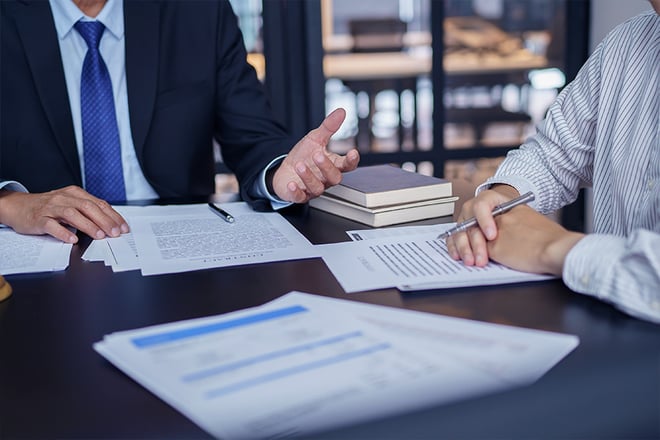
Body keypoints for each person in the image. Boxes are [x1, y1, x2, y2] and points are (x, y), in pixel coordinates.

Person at [0, 0, 359, 244]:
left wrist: (281, 173)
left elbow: (252, 136)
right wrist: (11, 205)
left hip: (179, 248)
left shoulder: (198, 11)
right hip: (44, 250)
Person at [447, 4, 659, 324]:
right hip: (603, 337)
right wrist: (504, 198)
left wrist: (552, 247)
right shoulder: (627, 43)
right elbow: (554, 153)